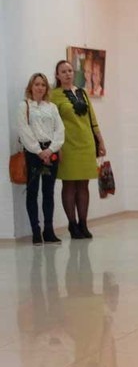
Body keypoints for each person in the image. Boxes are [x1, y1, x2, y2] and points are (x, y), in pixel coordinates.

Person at [50, 60, 107, 239]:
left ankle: (83, 223)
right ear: (57, 75)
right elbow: (51, 123)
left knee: (84, 185)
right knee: (69, 185)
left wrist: (100, 142)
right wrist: (56, 146)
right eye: (63, 71)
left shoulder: (83, 92)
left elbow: (93, 120)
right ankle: (72, 225)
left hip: (86, 144)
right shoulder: (53, 95)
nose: (67, 74)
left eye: (70, 70)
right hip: (67, 145)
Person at [17, 72, 65, 245]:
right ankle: (36, 231)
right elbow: (24, 130)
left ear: (47, 88)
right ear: (31, 86)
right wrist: (38, 151)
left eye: (43, 85)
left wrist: (50, 149)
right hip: (33, 154)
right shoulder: (24, 106)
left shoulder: (52, 107)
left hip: (51, 152)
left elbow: (60, 130)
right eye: (37, 84)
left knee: (48, 192)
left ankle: (49, 230)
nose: (40, 87)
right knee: (32, 191)